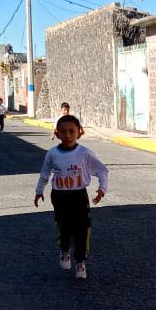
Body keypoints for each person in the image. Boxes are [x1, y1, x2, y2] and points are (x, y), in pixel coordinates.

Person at [34, 114, 108, 280]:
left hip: (79, 196)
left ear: (79, 132)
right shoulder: (52, 154)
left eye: (71, 131)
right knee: (64, 226)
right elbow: (45, 174)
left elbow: (102, 170)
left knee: (82, 229)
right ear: (57, 133)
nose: (67, 135)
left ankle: (80, 262)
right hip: (59, 197)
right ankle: (64, 250)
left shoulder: (85, 153)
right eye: (63, 131)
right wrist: (39, 191)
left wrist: (102, 188)